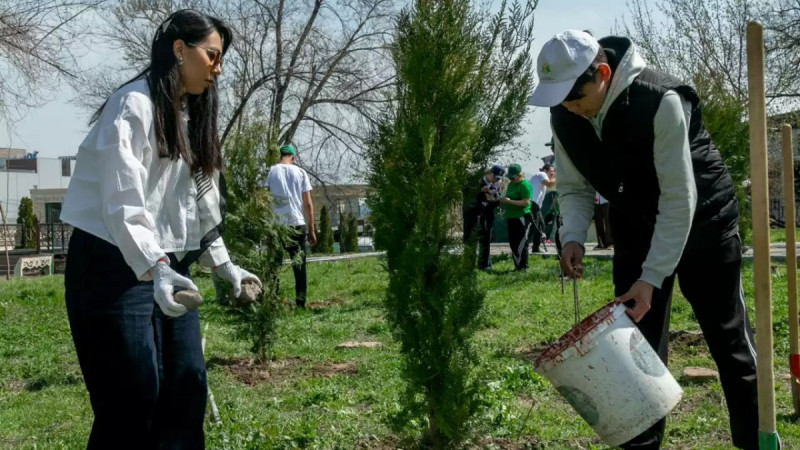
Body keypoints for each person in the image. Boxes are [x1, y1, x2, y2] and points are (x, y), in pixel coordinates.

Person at [529, 30, 764, 449]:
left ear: (602, 73)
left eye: (574, 96)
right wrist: (572, 238)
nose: (568, 107)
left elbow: (679, 199)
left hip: (703, 224)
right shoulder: (565, 115)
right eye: (559, 98)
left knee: (731, 347)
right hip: (635, 224)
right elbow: (575, 188)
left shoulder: (662, 100)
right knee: (633, 352)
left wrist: (651, 276)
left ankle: (756, 441)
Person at [61, 10, 261, 448]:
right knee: (133, 397)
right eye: (211, 55)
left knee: (186, 386)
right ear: (178, 50)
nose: (218, 68)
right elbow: (122, 198)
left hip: (164, 266)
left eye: (220, 59)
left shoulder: (188, 116)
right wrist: (156, 264)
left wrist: (225, 266)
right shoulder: (132, 105)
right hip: (110, 265)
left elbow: (198, 202)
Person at [265, 145, 317, 308]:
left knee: (275, 266)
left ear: (280, 156)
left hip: (276, 225)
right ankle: (300, 303)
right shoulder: (300, 173)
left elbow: (263, 200)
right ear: (293, 158)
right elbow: (308, 203)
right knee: (299, 267)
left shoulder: (270, 172)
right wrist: (312, 229)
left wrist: (265, 225)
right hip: (296, 223)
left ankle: (272, 301)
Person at [464, 165, 504, 270]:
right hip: (472, 214)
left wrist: (493, 200)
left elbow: (497, 201)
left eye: (498, 178)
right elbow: (467, 195)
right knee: (470, 239)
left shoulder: (496, 185)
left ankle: (484, 264)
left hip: (487, 215)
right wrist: (480, 190)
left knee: (485, 240)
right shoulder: (475, 181)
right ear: (490, 173)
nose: (496, 179)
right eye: (495, 177)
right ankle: (468, 265)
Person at [499, 164, 533, 270]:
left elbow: (526, 202)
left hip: (521, 216)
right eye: (509, 177)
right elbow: (509, 196)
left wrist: (510, 202)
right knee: (513, 243)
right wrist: (503, 199)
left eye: (513, 177)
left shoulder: (524, 185)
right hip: (511, 216)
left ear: (520, 175)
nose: (511, 179)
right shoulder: (511, 184)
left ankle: (523, 266)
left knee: (521, 243)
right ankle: (517, 266)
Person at [528, 164, 556, 252]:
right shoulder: (542, 174)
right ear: (545, 170)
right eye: (551, 171)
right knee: (536, 226)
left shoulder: (541, 177)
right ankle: (526, 246)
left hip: (535, 205)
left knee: (539, 226)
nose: (553, 173)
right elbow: (550, 185)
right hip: (533, 203)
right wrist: (558, 177)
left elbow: (551, 185)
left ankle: (535, 247)